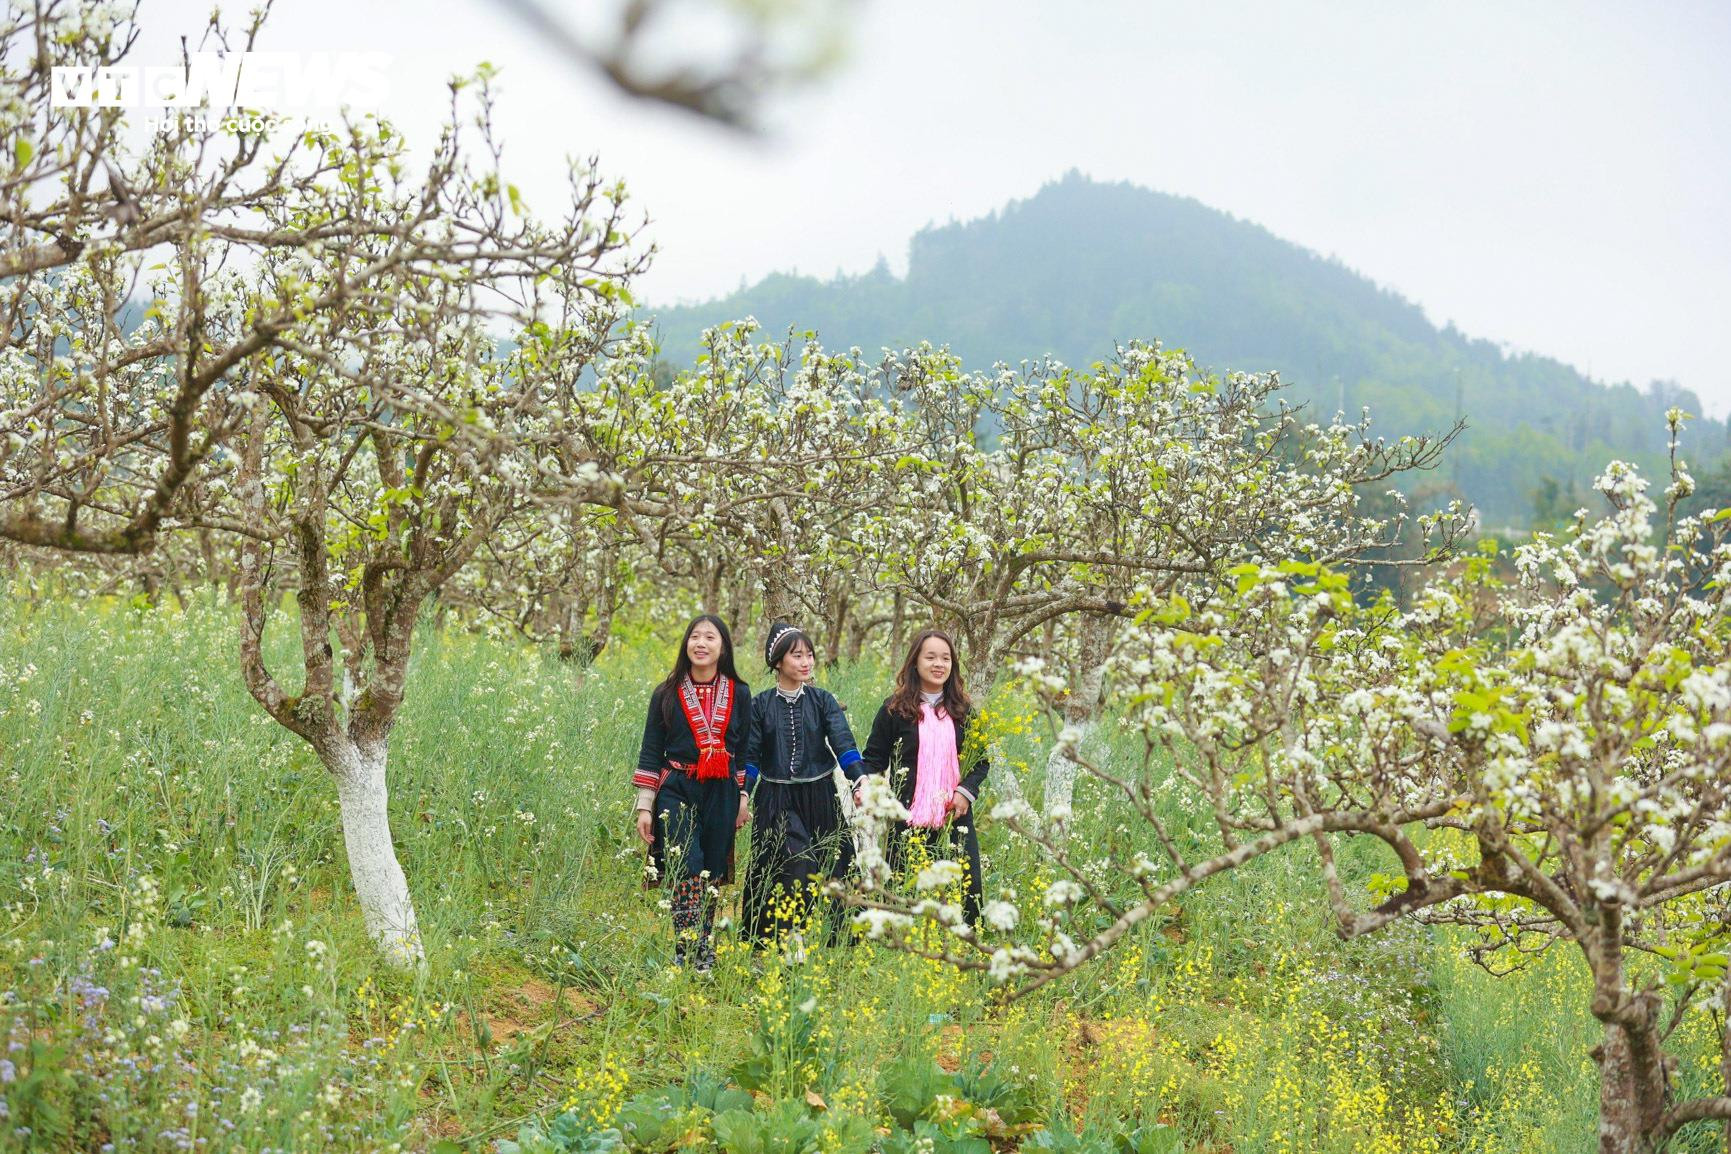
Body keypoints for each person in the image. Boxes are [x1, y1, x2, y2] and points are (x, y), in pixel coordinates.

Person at [633, 614, 753, 971]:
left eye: (710, 637)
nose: (701, 643)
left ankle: (704, 946)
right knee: (686, 864)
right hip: (676, 787)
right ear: (686, 644)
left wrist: (743, 797)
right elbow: (651, 751)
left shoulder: (739, 692)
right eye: (695, 636)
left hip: (722, 789)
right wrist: (645, 806)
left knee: (710, 869)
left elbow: (743, 750)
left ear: (723, 647)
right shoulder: (666, 693)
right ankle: (687, 945)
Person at [740, 622, 865, 947]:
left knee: (838, 863)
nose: (806, 662)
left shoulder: (823, 700)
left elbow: (843, 741)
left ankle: (842, 943)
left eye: (809, 654)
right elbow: (751, 756)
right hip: (776, 799)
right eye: (797, 655)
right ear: (778, 661)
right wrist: (743, 794)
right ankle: (779, 940)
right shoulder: (760, 705)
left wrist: (859, 779)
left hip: (821, 795)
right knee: (796, 863)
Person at [859, 629, 986, 927]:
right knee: (903, 889)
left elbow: (981, 761)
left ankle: (966, 945)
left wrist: (965, 792)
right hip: (906, 816)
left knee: (966, 889)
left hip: (955, 815)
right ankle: (900, 945)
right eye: (930, 657)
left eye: (945, 658)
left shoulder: (964, 711)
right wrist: (866, 790)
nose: (938, 664)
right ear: (915, 662)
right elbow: (874, 759)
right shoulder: (894, 710)